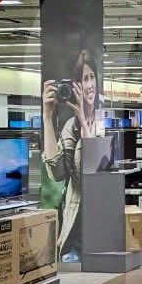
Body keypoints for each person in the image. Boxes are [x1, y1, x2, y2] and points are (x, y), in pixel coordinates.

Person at [43, 49, 101, 258]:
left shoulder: (104, 122)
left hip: (102, 223)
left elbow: (92, 172)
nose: (89, 85)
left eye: (92, 77)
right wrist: (47, 116)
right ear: (77, 85)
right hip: (76, 231)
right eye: (84, 79)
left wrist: (85, 122)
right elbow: (57, 173)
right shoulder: (72, 126)